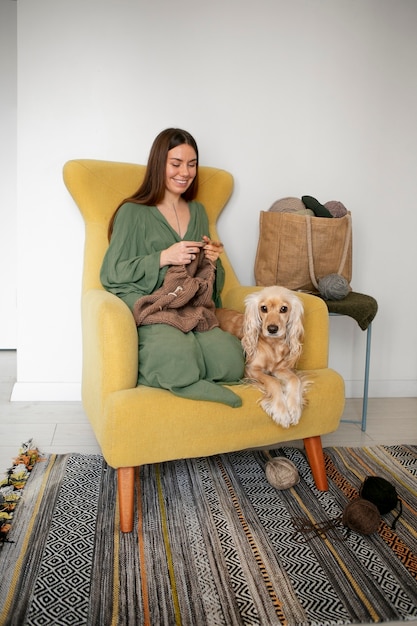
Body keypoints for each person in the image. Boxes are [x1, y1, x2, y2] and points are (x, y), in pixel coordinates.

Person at [100, 128, 244, 407]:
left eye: (192, 165)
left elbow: (208, 282)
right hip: (155, 305)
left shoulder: (199, 211)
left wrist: (212, 261)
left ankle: (191, 371)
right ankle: (184, 377)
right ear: (159, 164)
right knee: (176, 359)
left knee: (230, 360)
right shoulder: (133, 211)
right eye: (176, 163)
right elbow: (112, 272)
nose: (185, 172)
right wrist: (164, 257)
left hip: (189, 305)